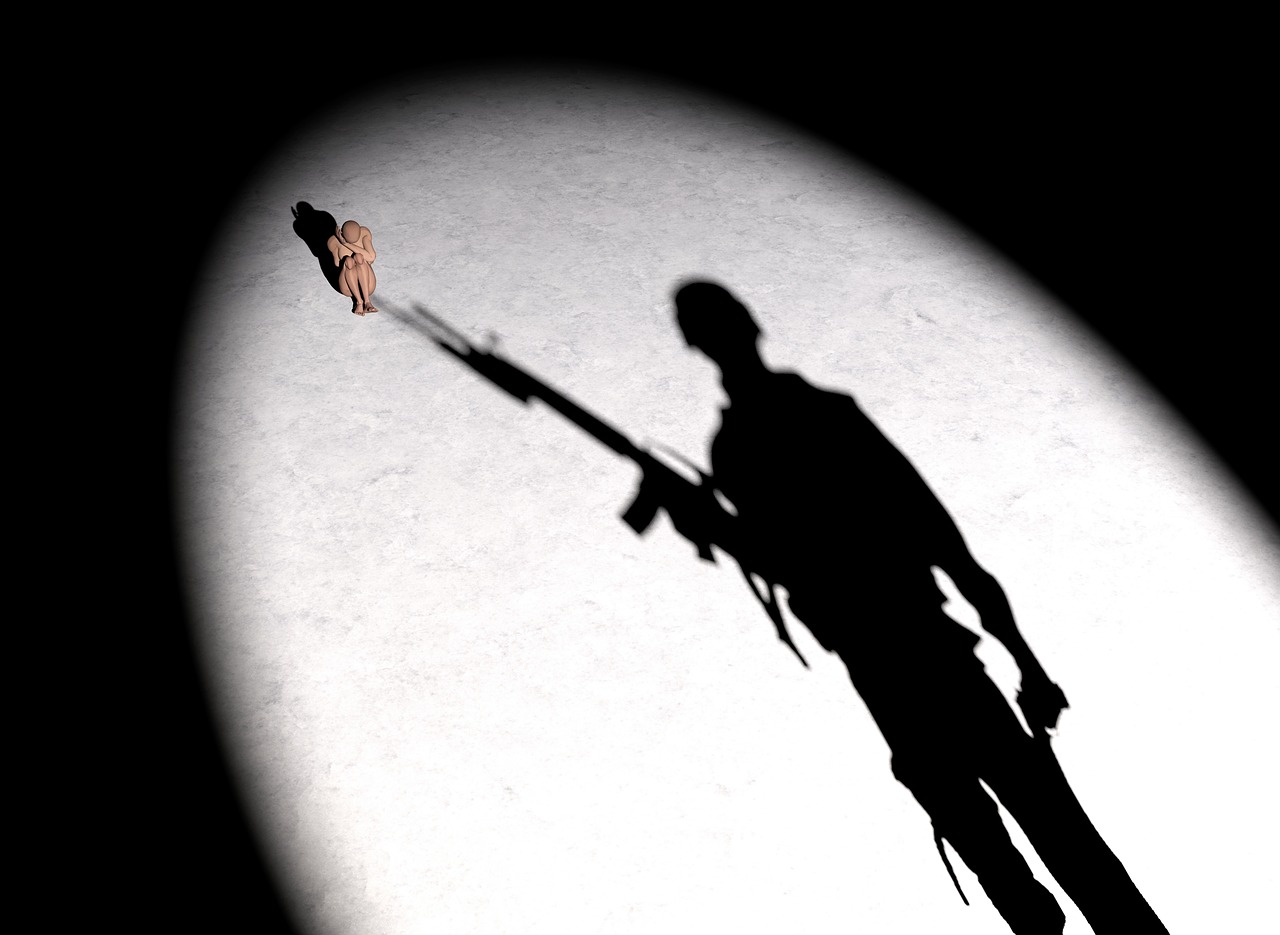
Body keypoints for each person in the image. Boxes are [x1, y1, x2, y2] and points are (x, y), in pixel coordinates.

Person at [662, 280, 1168, 935]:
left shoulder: (812, 419)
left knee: (1057, 846)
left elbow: (937, 535)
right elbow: (790, 562)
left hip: (929, 654)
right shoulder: (737, 448)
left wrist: (1028, 664)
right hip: (888, 671)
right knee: (1015, 861)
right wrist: (712, 528)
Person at [327, 219, 378, 315]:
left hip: (368, 284)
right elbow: (337, 265)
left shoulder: (364, 235)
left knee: (359, 257)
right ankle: (359, 302)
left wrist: (346, 244)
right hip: (348, 287)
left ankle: (367, 301)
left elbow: (371, 257)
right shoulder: (334, 242)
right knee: (348, 261)